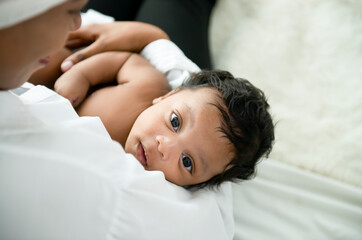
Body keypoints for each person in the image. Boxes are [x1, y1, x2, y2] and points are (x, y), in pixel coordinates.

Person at [0, 1, 236, 239]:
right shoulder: (150, 87)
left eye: (187, 162)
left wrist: (150, 38)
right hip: (90, 58)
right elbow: (123, 62)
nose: (165, 147)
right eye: (174, 123)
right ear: (166, 97)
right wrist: (82, 74)